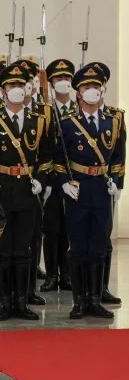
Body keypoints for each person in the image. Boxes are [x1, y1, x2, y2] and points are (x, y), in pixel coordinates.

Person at [54, 63, 123, 320]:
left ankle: (95, 299)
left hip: (102, 190)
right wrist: (63, 182)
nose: (92, 90)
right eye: (86, 87)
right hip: (78, 190)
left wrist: (116, 180)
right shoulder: (67, 124)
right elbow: (58, 158)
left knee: (98, 246)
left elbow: (118, 157)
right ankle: (79, 301)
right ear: (78, 93)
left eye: (95, 86)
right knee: (78, 247)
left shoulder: (112, 122)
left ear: (102, 89)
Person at [0, 60, 54, 320]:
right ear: (3, 91)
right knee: (2, 250)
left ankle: (21, 302)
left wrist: (41, 180)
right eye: (11, 85)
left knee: (23, 249)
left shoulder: (37, 120)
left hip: (27, 191)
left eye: (20, 84)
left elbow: (46, 156)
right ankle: (3, 302)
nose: (17, 89)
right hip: (1, 191)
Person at [40, 58, 76, 293]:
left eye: (66, 78)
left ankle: (68, 275)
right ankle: (52, 274)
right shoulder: (45, 111)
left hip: (75, 178)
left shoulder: (80, 109)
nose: (62, 82)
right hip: (52, 178)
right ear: (51, 83)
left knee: (71, 229)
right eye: (58, 79)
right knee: (51, 229)